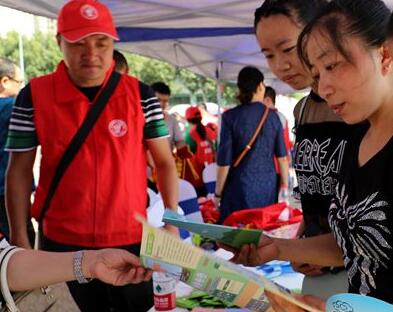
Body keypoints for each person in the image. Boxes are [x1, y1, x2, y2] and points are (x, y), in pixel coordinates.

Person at [5, 0, 178, 311]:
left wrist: (172, 220)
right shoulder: (34, 95)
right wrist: (20, 238)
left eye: (101, 42)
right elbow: (19, 170)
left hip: (131, 241)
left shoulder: (141, 96)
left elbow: (165, 162)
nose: (91, 53)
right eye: (78, 43)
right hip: (61, 245)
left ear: (113, 43)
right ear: (59, 42)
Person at [231, 0, 393, 309]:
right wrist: (278, 249)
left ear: (383, 53)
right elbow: (354, 242)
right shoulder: (358, 140)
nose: (325, 86)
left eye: (331, 66)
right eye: (317, 73)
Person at [253, 0, 353, 295]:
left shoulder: (360, 107)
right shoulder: (303, 110)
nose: (280, 65)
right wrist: (299, 246)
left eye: (287, 48)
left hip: (362, 278)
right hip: (318, 273)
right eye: (268, 54)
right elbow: (317, 193)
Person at [215, 66, 289, 223]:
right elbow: (282, 158)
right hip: (268, 188)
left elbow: (224, 162)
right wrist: (285, 187)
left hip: (238, 187)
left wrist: (218, 193)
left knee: (237, 234)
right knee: (263, 233)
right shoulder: (273, 117)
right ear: (260, 86)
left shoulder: (229, 117)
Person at [0, 58, 35, 243]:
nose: (21, 87)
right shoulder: (14, 107)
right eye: (19, 82)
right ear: (5, 82)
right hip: (7, 193)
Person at [263, 86, 292, 203]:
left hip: (272, 167)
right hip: (280, 167)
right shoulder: (282, 117)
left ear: (268, 100)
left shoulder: (270, 118)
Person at [184, 106, 217, 196]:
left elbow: (186, 155)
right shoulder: (211, 132)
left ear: (187, 119)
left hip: (199, 179)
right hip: (214, 175)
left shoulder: (190, 136)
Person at [151, 82, 185, 151]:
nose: (161, 104)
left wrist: (183, 150)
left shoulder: (172, 120)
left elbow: (179, 141)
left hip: (167, 161)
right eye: (158, 100)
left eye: (165, 101)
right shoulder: (141, 119)